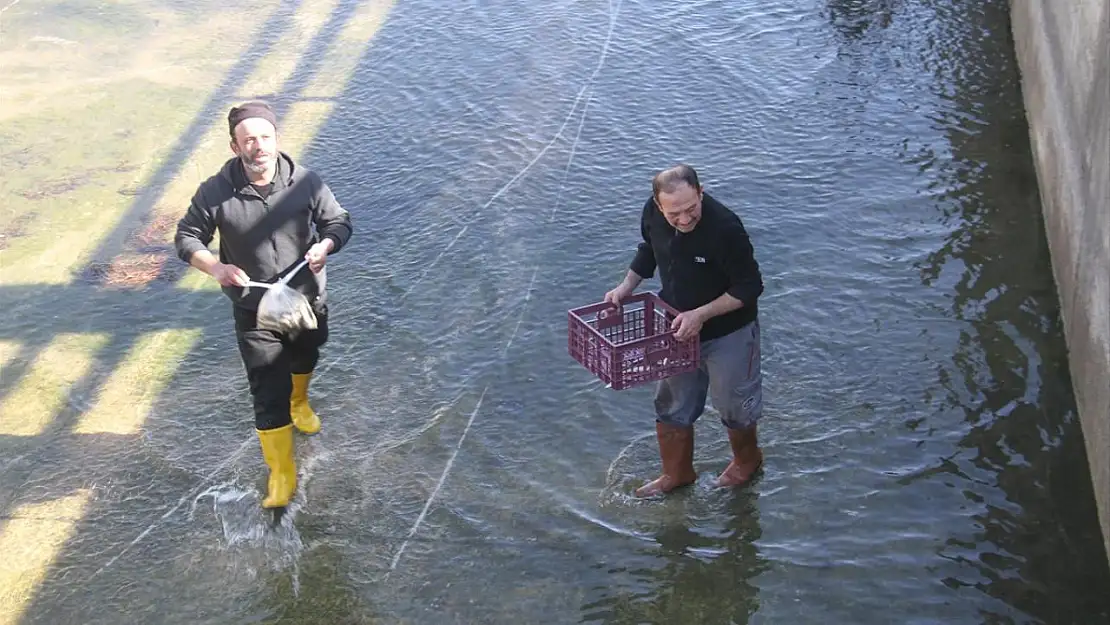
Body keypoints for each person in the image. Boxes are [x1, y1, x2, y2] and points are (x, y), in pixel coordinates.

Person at [174, 101, 353, 508]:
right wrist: (215, 267)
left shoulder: (307, 182)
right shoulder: (215, 191)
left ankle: (300, 401)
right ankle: (281, 474)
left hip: (305, 297)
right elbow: (187, 237)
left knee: (308, 352)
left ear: (277, 139)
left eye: (265, 137)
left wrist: (325, 246)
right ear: (235, 146)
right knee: (266, 388)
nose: (259, 146)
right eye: (248, 139)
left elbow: (338, 221)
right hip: (253, 308)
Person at [604, 164, 764, 497]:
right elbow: (649, 249)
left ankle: (746, 464)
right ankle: (676, 474)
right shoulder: (653, 212)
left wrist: (701, 315)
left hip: (728, 331)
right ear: (658, 205)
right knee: (671, 404)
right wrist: (626, 287)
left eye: (692, 208)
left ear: (701, 192)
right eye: (674, 213)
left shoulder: (725, 228)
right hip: (676, 327)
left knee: (734, 406)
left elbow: (750, 286)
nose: (685, 219)